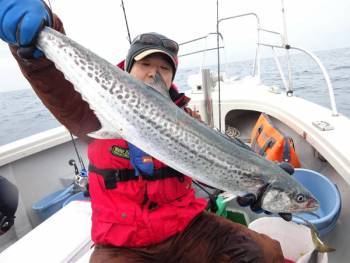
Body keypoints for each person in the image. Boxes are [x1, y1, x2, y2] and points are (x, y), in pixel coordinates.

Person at [0, 0, 286, 262]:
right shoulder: (96, 108)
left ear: (173, 76)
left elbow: (213, 163)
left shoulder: (189, 119)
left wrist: (251, 187)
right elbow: (58, 85)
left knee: (266, 252)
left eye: (164, 68)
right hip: (122, 244)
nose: (154, 73)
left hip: (187, 229)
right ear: (129, 67)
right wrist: (39, 45)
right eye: (145, 64)